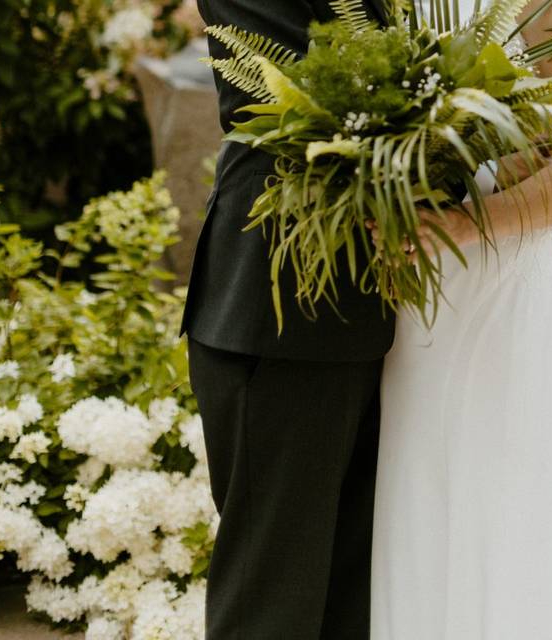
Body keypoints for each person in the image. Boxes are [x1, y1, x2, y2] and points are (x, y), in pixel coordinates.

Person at [369, 0, 552, 638]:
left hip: (506, 297)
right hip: (412, 303)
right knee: (415, 511)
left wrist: (460, 225)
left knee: (507, 516)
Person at [180, 1, 395, 638]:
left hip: (372, 308)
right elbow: (322, 85)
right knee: (273, 604)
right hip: (283, 300)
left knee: (345, 601)